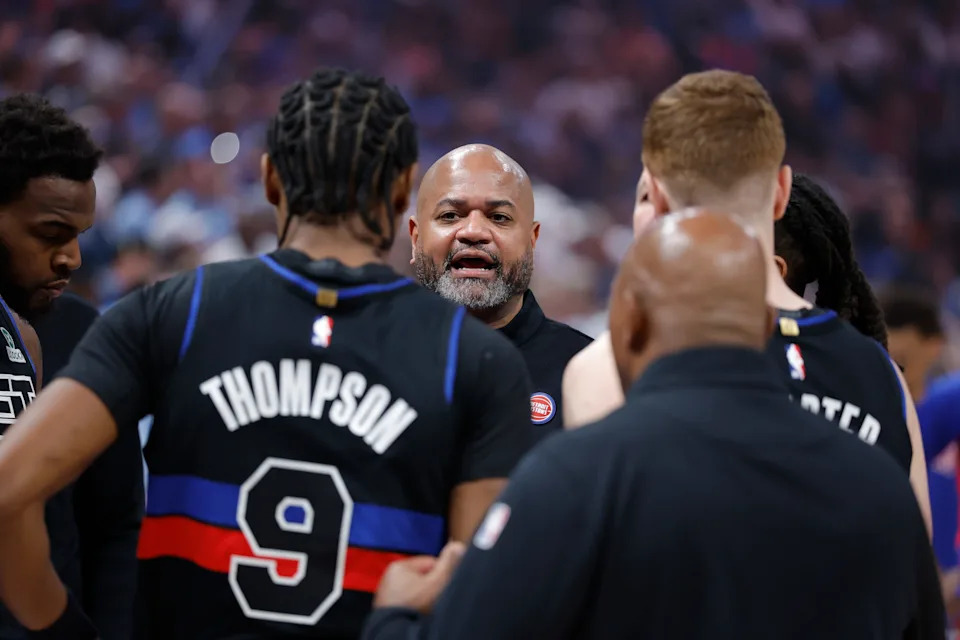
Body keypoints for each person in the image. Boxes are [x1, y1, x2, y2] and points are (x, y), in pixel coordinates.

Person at [0, 68, 534, 639]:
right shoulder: (477, 359)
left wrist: (62, 633)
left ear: (270, 180)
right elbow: (483, 604)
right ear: (404, 187)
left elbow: (6, 492)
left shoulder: (172, 311)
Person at [362, 210, 944, 640]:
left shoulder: (577, 477)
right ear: (766, 324)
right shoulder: (881, 488)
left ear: (629, 322)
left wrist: (394, 616)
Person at [561, 70, 931, 531]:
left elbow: (615, 572)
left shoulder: (607, 367)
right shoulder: (880, 372)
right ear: (780, 192)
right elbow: (917, 579)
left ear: (656, 198)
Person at [0, 93, 141, 640]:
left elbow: (115, 524)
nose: (72, 259)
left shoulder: (88, 337)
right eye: (50, 234)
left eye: (79, 235)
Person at [412, 144, 591, 433]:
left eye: (499, 218)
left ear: (532, 241)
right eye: (449, 216)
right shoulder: (367, 360)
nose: (473, 232)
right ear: (415, 238)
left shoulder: (586, 375)